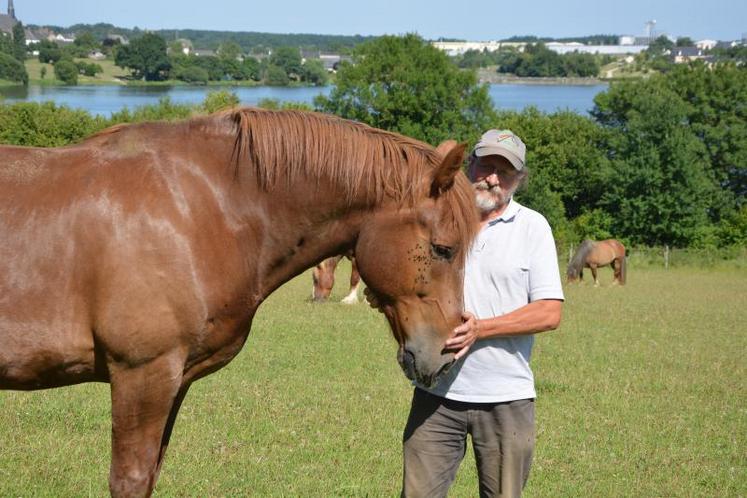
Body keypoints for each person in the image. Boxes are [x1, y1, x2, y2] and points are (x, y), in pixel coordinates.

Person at [401, 130, 564, 498]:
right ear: (468, 164)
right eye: (486, 165)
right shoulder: (437, 219)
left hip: (506, 399)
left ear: (519, 179)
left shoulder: (532, 228)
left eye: (504, 171)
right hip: (436, 394)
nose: (492, 178)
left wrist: (482, 329)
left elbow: (550, 312)